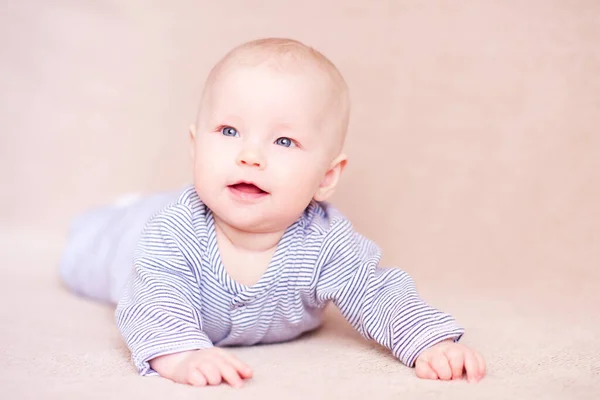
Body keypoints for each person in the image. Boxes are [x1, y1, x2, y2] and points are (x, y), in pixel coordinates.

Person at [60, 37, 486, 388]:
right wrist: (183, 354)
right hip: (128, 238)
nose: (249, 156)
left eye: (283, 141)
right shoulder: (173, 233)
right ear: (195, 147)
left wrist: (430, 343)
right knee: (87, 254)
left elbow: (377, 292)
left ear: (326, 176)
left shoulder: (326, 242)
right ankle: (112, 215)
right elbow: (150, 300)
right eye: (229, 131)